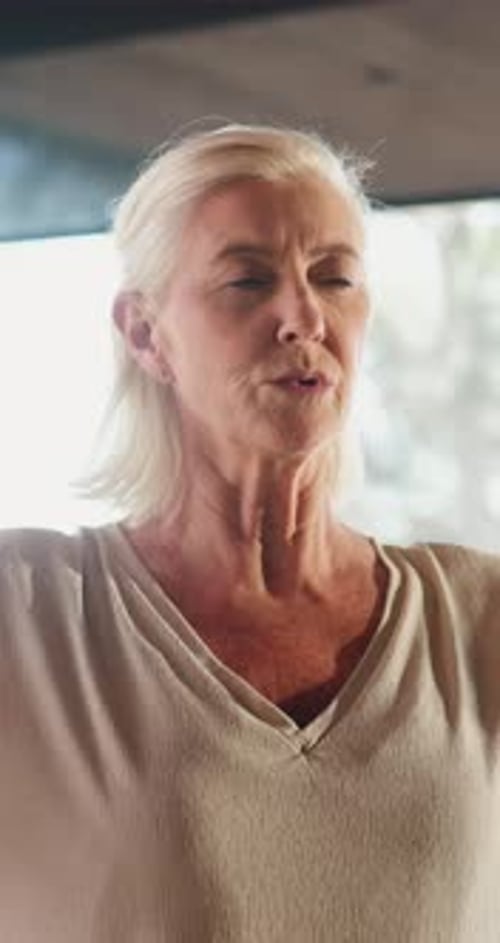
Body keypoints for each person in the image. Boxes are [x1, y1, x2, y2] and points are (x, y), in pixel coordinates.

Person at [1, 123, 499, 942]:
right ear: (145, 333)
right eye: (247, 281)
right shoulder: (29, 614)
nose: (302, 315)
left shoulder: (478, 618)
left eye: (334, 276)